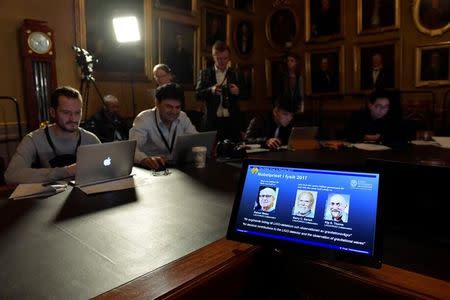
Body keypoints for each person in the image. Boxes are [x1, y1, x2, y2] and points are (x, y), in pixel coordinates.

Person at [4, 86, 101, 184]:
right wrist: (67, 171)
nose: (73, 119)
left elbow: (108, 171)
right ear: (52, 112)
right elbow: (11, 175)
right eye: (66, 112)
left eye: (77, 112)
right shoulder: (34, 139)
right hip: (47, 198)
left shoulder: (91, 140)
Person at [129, 83, 197, 170]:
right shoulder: (144, 119)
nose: (174, 112)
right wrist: (144, 159)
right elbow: (131, 149)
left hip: (176, 167)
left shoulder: (182, 116)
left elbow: (195, 140)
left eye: (178, 107)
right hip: (152, 170)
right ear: (157, 103)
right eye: (169, 107)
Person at [195, 41, 246, 142]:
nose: (222, 61)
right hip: (212, 121)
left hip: (231, 122)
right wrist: (211, 90)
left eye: (225, 58)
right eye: (219, 58)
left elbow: (246, 94)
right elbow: (197, 95)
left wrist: (238, 91)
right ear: (214, 57)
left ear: (229, 57)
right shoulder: (205, 73)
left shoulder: (236, 74)